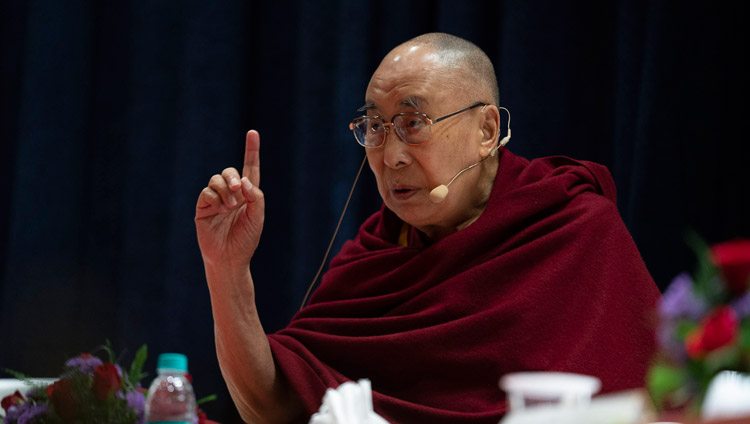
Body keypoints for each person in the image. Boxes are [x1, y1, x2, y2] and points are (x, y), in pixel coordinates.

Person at [195, 33, 660, 424]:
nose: (390, 155)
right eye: (374, 126)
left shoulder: (571, 230)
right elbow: (272, 407)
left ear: (486, 130)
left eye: (413, 123)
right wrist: (226, 268)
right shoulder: (377, 255)